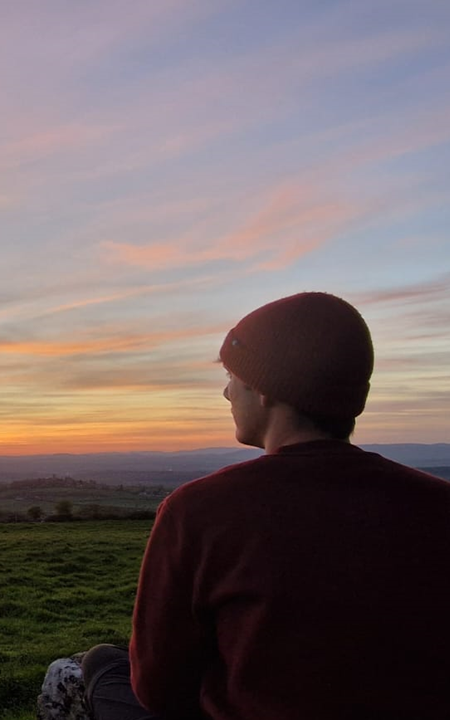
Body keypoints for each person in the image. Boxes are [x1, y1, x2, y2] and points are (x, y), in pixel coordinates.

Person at [50, 292, 450, 720]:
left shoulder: (198, 512)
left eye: (232, 376)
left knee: (99, 664)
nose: (226, 392)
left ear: (264, 389)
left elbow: (159, 690)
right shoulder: (438, 504)